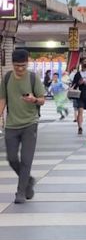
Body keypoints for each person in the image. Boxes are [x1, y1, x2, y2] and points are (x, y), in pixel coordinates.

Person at [0, 49, 45, 203]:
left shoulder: (33, 78)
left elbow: (42, 100)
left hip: (30, 124)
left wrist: (34, 100)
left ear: (28, 63)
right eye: (17, 65)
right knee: (12, 158)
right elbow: (2, 100)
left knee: (26, 160)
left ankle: (20, 192)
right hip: (11, 125)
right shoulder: (6, 78)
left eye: (23, 66)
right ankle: (28, 180)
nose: (20, 69)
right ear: (12, 64)